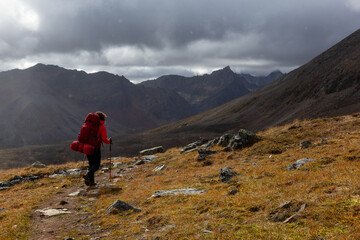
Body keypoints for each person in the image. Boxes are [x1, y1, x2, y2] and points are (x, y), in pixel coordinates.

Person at [83, 111, 112, 186]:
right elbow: (104, 139)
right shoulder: (101, 127)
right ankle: (88, 175)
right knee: (96, 165)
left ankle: (90, 182)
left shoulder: (88, 124)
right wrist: (109, 141)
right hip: (95, 147)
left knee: (91, 164)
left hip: (87, 146)